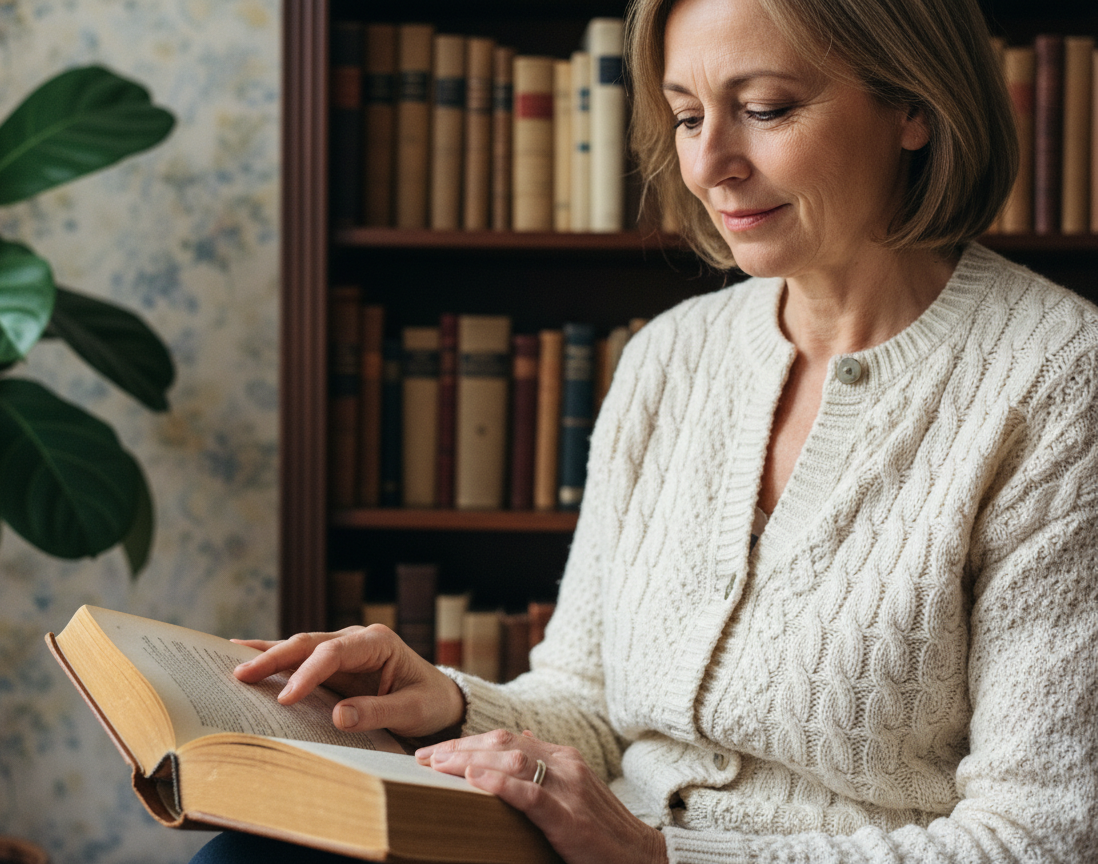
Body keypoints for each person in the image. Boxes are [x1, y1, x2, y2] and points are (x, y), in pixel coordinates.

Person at [194, 0, 1098, 860]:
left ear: (915, 106)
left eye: (765, 109)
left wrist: (662, 856)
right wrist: (444, 703)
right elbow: (589, 702)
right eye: (686, 116)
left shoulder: (1059, 380)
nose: (710, 166)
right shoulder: (669, 357)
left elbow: (1041, 837)